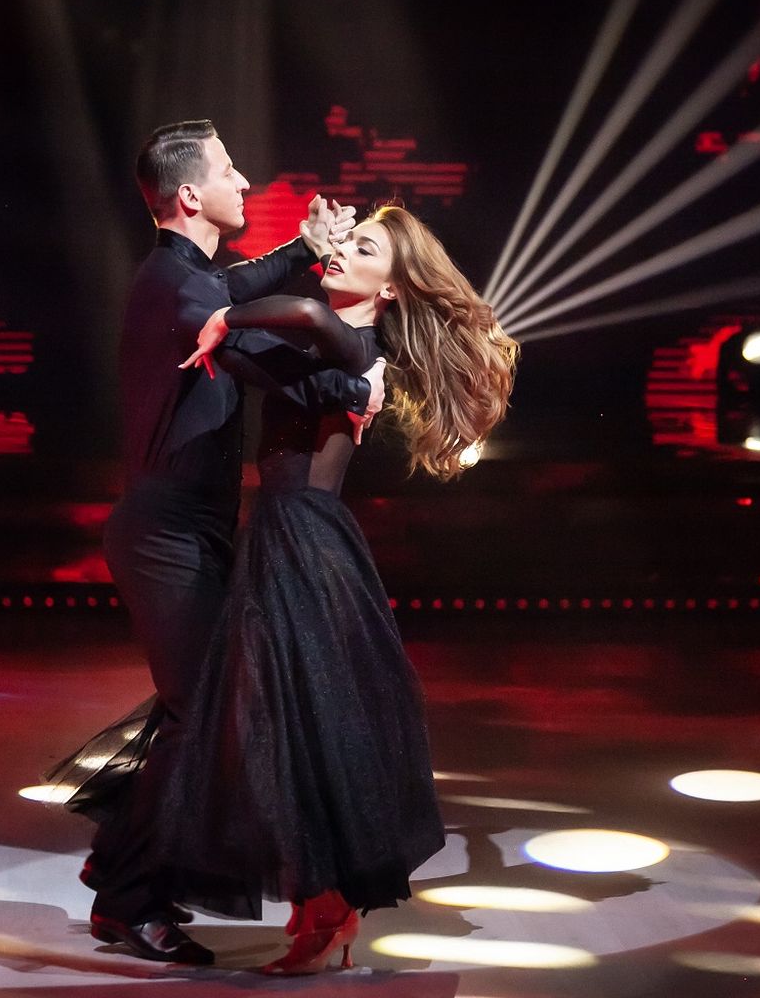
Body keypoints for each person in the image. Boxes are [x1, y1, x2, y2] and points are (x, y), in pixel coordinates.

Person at [151, 204, 520, 974]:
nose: (343, 252)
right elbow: (252, 344)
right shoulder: (321, 346)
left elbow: (300, 316)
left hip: (304, 542)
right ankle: (318, 906)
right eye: (347, 241)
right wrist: (222, 325)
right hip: (285, 537)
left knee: (292, 723)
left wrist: (227, 316)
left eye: (365, 248)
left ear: (391, 288)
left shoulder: (358, 345)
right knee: (278, 725)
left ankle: (325, 909)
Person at [79, 120, 386, 965]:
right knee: (201, 717)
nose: (244, 180)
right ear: (189, 194)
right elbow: (251, 323)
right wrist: (357, 370)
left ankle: (120, 867)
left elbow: (240, 289)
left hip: (196, 533)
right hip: (163, 535)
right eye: (227, 169)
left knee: (208, 712)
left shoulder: (192, 278)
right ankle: (127, 900)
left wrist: (303, 252)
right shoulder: (174, 288)